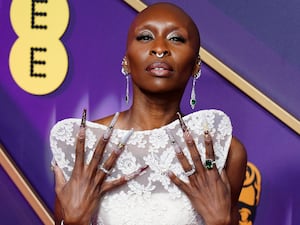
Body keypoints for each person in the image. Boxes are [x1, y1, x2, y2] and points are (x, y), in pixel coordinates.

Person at [50, 2, 247, 225]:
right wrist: (75, 221)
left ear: (196, 66)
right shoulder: (83, 145)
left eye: (176, 38)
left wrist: (220, 222)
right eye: (145, 37)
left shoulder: (225, 151)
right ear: (126, 61)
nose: (160, 48)